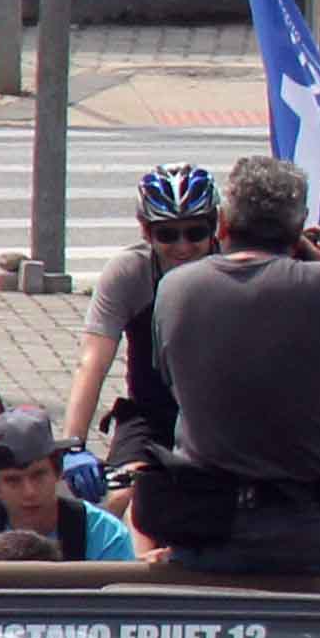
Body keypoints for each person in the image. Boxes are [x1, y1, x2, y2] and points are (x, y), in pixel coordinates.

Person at [143, 154, 320, 580]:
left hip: (204, 532)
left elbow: (171, 380)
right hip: (306, 537)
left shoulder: (174, 289)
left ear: (222, 224)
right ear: (297, 232)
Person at [61, 162, 213, 491]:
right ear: (146, 232)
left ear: (216, 226)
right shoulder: (129, 273)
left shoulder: (235, 264)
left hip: (225, 416)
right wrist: (73, 445)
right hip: (152, 413)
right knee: (119, 497)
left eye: (196, 232)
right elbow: (91, 362)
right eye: (167, 234)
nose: (183, 246)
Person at [0, 404, 139, 563]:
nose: (29, 492)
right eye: (13, 480)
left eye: (38, 475)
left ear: (58, 470)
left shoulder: (103, 534)